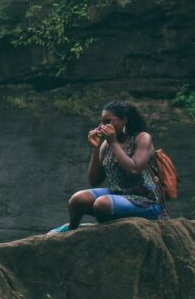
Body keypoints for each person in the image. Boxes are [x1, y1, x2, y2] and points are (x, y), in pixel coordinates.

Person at [51, 100, 164, 233]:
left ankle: (104, 230)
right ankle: (72, 228)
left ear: (124, 120)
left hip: (145, 201)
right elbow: (94, 180)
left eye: (108, 122)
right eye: (101, 122)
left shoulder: (142, 138)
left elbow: (133, 169)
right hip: (117, 194)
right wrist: (96, 147)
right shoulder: (106, 145)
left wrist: (113, 142)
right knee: (77, 199)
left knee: (101, 204)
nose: (102, 127)